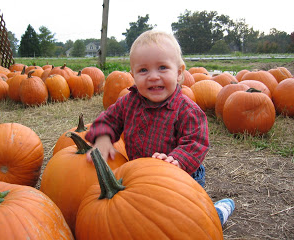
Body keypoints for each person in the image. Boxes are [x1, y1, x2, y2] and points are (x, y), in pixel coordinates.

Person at [85, 30, 234, 226]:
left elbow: (196, 142)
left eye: (162, 68)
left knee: (187, 222)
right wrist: (103, 137)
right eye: (143, 70)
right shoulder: (128, 103)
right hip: (141, 177)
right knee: (146, 219)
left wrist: (177, 160)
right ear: (133, 76)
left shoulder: (187, 110)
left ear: (179, 73)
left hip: (181, 178)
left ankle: (216, 213)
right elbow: (108, 119)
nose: (153, 76)